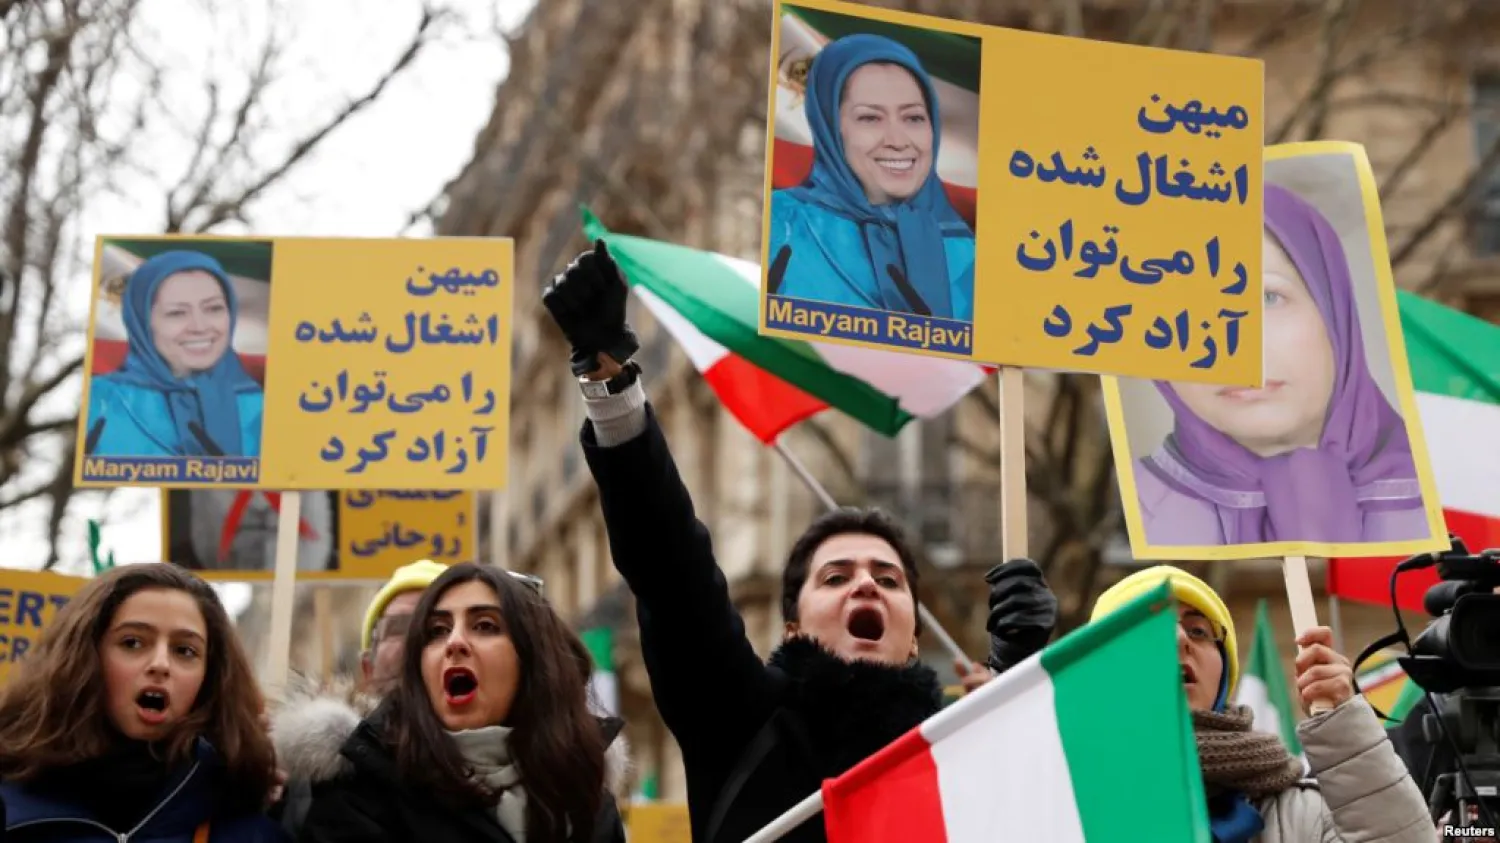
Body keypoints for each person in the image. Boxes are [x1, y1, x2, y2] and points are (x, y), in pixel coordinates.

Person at [541, 242, 1055, 842]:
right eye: (836, 577)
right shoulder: (742, 720)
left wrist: (1023, 675)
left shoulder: (960, 741)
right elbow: (670, 565)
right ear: (792, 627)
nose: (866, 582)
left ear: (914, 635)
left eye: (888, 580)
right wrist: (608, 378)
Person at [1133, 183, 1426, 548]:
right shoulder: (1131, 509)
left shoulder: (1453, 494)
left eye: (1267, 297)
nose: (1232, 343)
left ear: (1333, 311)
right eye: (1191, 309)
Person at [1080, 566, 1433, 843]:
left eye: (1199, 630)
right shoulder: (1067, 795)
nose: (1179, 639)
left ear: (1224, 672)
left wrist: (1345, 729)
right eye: (1149, 629)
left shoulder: (1300, 814)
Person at [290, 563, 628, 843]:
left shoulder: (589, 804)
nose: (454, 642)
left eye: (484, 625)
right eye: (436, 631)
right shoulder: (360, 799)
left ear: (531, 660)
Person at [0, 563, 286, 842]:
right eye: (132, 643)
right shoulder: (12, 807)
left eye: (184, 650)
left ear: (210, 676)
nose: (160, 664)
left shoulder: (250, 831)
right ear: (84, 658)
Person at [768, 33, 975, 322]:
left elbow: (991, 359)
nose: (898, 140)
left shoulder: (967, 251)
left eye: (913, 117)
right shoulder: (779, 224)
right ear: (829, 125)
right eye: (870, 118)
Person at [85, 250, 264, 459]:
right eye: (177, 313)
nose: (199, 327)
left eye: (214, 308)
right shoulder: (101, 401)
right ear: (143, 322)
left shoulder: (265, 408)